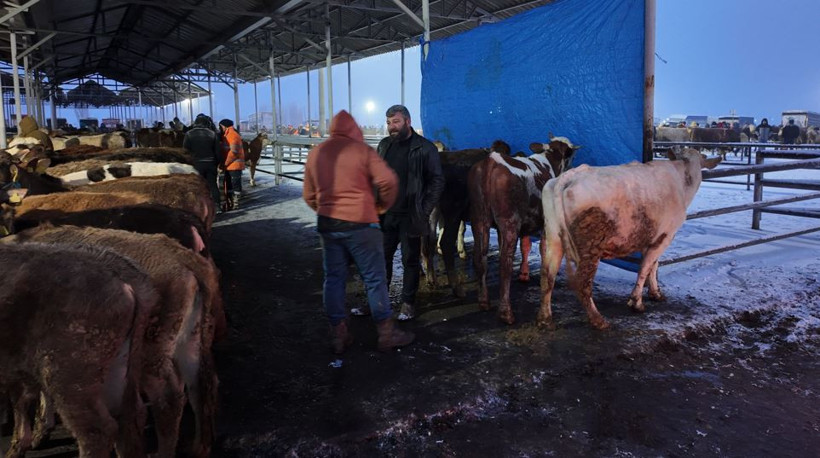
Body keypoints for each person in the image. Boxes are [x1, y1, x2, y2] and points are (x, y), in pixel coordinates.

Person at [302, 110, 415, 353]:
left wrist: (324, 208)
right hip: (362, 225)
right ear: (355, 130)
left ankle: (338, 334)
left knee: (333, 279)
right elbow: (389, 181)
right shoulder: (362, 151)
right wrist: (381, 206)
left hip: (329, 225)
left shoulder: (316, 153)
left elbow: (308, 195)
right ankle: (386, 333)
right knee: (374, 279)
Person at [374, 104, 444, 321]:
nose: (391, 127)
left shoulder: (425, 148)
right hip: (386, 215)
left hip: (411, 215)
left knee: (410, 260)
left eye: (395, 122)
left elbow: (437, 181)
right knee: (380, 259)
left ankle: (407, 303)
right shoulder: (384, 145)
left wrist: (423, 211)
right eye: (388, 123)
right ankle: (378, 301)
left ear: (407, 121)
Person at [183, 114, 222, 211]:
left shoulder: (189, 134)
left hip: (196, 164)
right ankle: (217, 206)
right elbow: (218, 151)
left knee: (197, 186)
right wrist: (217, 163)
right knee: (212, 185)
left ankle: (199, 207)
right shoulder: (213, 134)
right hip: (211, 163)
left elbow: (185, 151)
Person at [217, 118, 245, 210]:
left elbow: (234, 152)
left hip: (234, 165)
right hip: (229, 165)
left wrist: (225, 163)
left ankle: (236, 203)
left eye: (220, 126)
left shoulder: (233, 135)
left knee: (235, 184)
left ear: (224, 126)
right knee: (229, 184)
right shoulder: (226, 135)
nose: (220, 128)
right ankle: (230, 202)